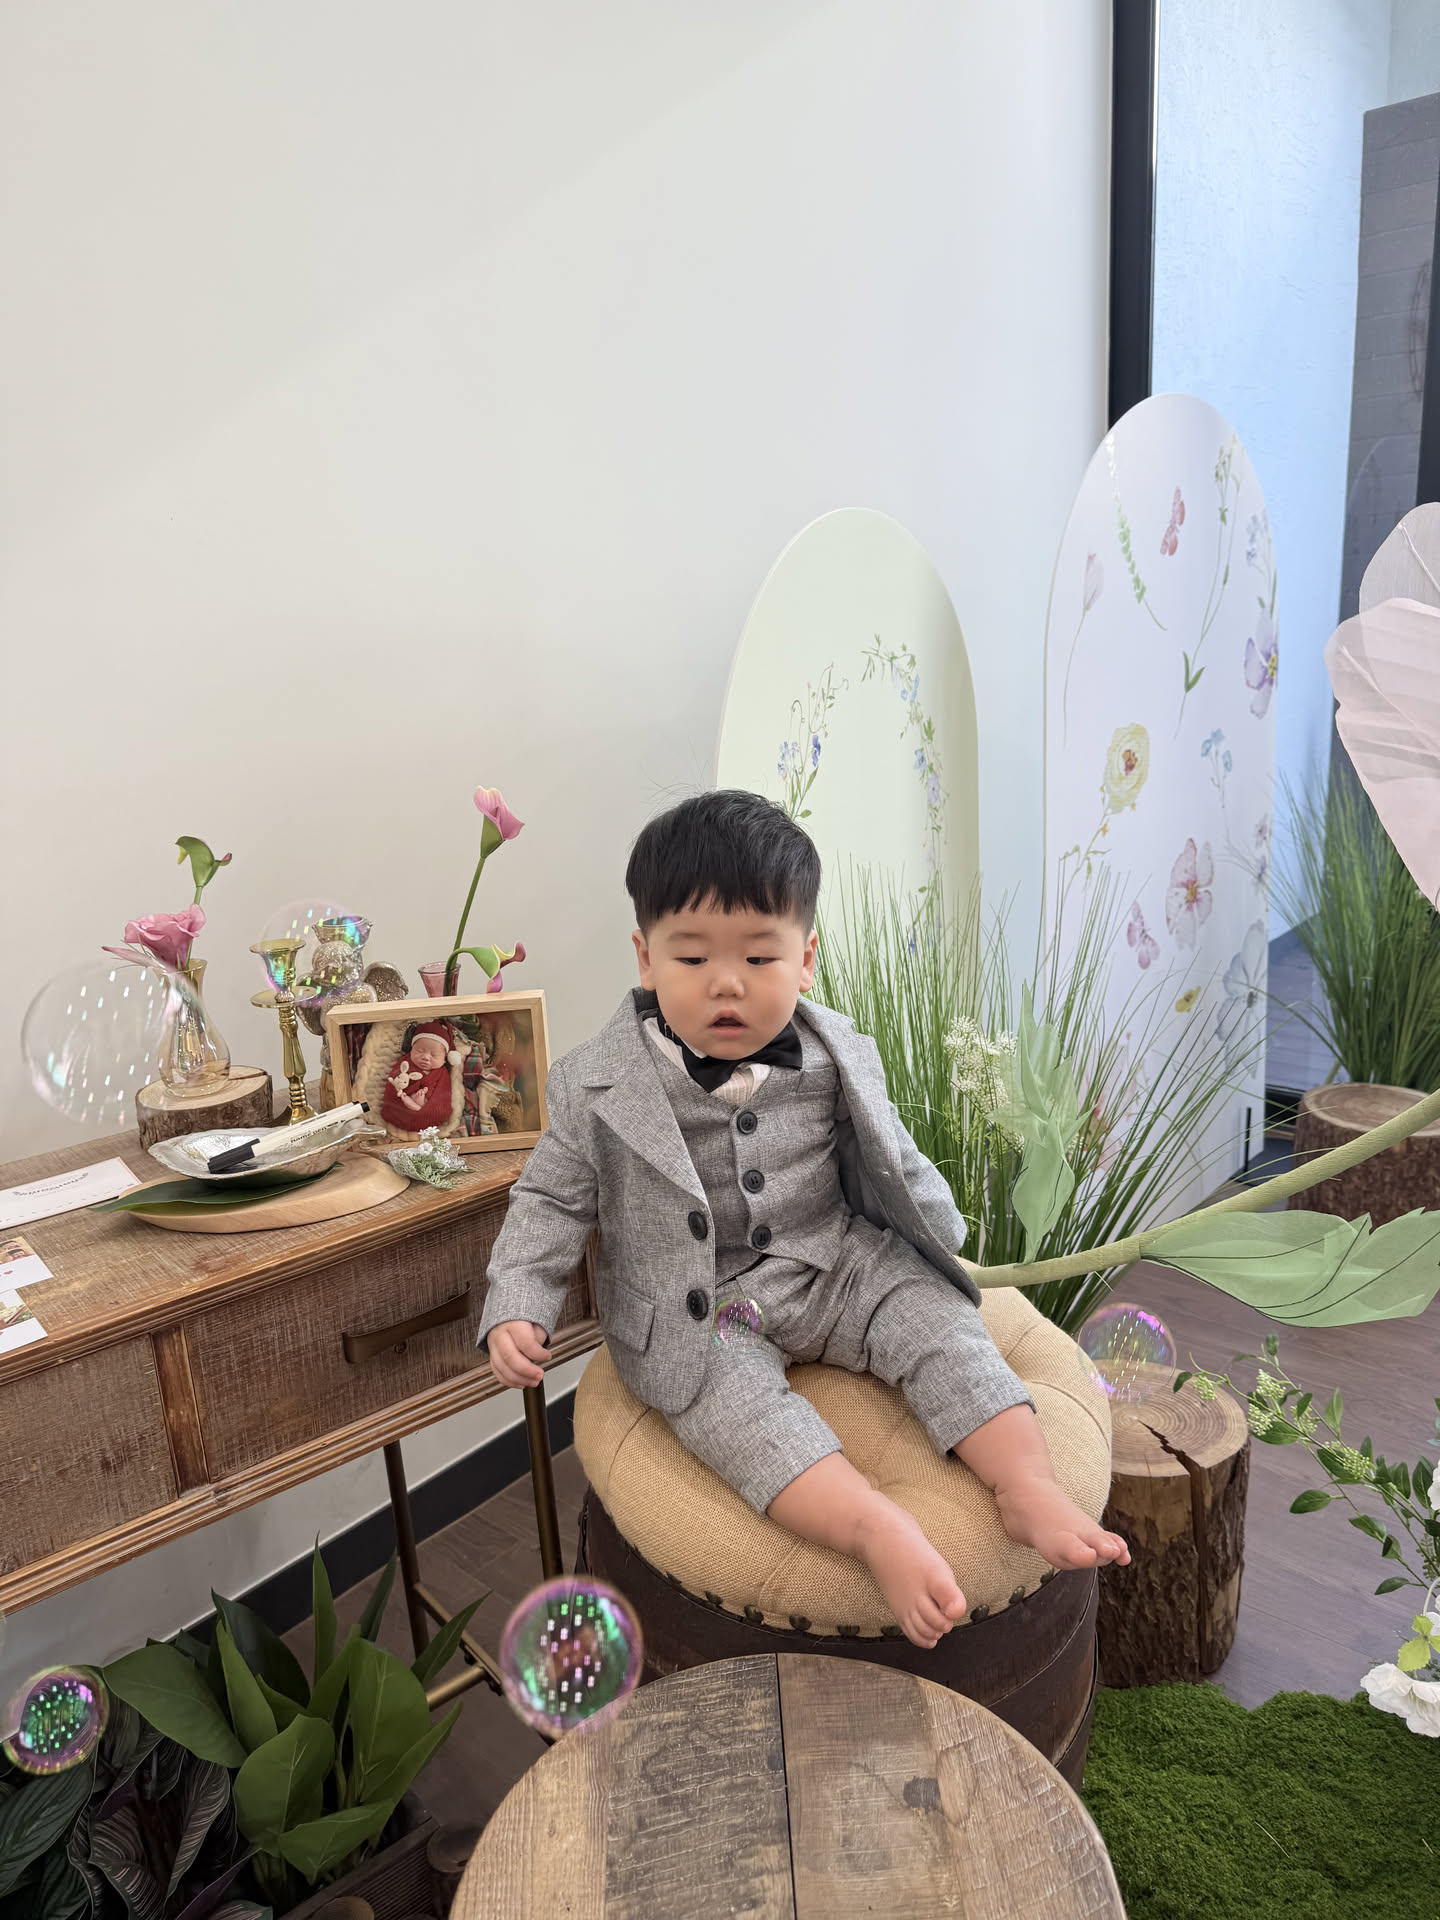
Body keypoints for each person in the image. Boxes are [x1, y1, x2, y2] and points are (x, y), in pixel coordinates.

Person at [479, 792, 1128, 1647]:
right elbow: (550, 1199)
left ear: (806, 959)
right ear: (645, 958)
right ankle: (871, 1524)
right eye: (691, 956)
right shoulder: (595, 1085)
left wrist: (941, 1233)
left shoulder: (836, 1051)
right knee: (736, 1413)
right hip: (701, 1308)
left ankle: (1025, 1481)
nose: (727, 982)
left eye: (759, 955)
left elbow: (891, 1150)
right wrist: (518, 1303)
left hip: (836, 1262)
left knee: (935, 1320)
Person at [380, 1021, 460, 1132]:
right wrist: (404, 1090)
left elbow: (443, 1094)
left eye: (434, 1055)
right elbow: (394, 1083)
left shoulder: (442, 1073)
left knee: (441, 1110)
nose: (426, 1057)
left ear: (444, 1059)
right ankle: (412, 1103)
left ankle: (418, 1105)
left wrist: (427, 1097)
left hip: (429, 1107)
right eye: (419, 1051)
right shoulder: (405, 1063)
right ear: (411, 1049)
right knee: (396, 1102)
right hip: (402, 1106)